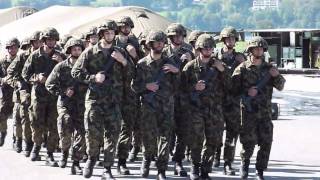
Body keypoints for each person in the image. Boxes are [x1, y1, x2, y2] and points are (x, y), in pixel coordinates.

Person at [71, 19, 132, 180]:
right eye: (106, 32)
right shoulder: (90, 52)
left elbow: (133, 74)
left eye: (112, 32)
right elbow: (75, 72)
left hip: (114, 101)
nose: (110, 35)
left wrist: (123, 61)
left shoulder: (120, 52)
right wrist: (92, 77)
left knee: (112, 136)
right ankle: (91, 159)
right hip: (95, 100)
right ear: (101, 34)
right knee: (92, 134)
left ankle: (107, 168)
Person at [232, 36, 285, 179]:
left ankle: (260, 170)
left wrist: (277, 75)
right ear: (250, 50)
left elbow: (280, 86)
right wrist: (246, 93)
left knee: (266, 142)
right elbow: (232, 91)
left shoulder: (269, 68)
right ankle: (244, 166)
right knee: (248, 143)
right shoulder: (242, 69)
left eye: (261, 48)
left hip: (265, 112)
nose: (259, 50)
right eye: (256, 48)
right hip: (248, 112)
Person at [131, 30, 180, 180]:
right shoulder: (141, 64)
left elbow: (179, 87)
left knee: (165, 138)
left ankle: (162, 169)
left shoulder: (170, 62)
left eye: (162, 42)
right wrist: (146, 86)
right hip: (148, 106)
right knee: (148, 136)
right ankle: (146, 160)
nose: (159, 45)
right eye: (156, 42)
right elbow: (134, 86)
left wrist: (176, 71)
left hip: (166, 106)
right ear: (150, 44)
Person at [182, 34, 231, 180]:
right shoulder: (190, 67)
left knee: (213, 140)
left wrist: (222, 70)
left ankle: (205, 169)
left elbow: (231, 86)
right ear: (199, 49)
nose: (208, 50)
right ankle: (194, 167)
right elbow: (180, 88)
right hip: (196, 109)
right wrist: (194, 87)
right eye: (205, 47)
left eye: (210, 47)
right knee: (197, 139)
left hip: (215, 109)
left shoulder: (219, 65)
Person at [22, 27, 63, 166]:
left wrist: (61, 62)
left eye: (53, 39)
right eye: (48, 39)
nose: (51, 42)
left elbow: (69, 73)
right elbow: (25, 74)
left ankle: (50, 154)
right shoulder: (34, 55)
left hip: (53, 95)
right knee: (36, 122)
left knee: (53, 125)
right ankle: (36, 146)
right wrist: (36, 77)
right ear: (44, 40)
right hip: (38, 94)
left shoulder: (59, 55)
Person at [45, 38, 86, 175]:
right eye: (74, 49)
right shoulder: (61, 66)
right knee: (65, 126)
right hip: (65, 104)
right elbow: (49, 84)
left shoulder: (86, 66)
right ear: (69, 51)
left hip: (81, 105)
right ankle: (64, 153)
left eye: (79, 49)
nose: (77, 51)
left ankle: (76, 162)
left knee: (81, 133)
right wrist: (63, 92)